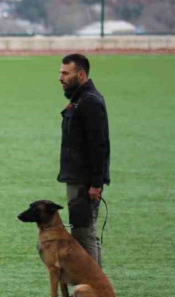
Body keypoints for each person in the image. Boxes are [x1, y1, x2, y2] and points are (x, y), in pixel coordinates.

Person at [58, 53, 110, 267]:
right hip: (79, 179)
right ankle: (94, 291)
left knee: (84, 235)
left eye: (65, 73)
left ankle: (93, 294)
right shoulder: (80, 100)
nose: (60, 78)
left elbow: (99, 146)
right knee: (86, 234)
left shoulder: (89, 102)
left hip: (84, 182)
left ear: (80, 74)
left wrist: (96, 184)